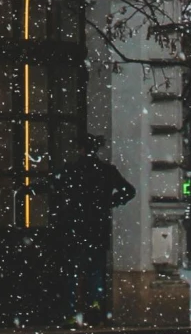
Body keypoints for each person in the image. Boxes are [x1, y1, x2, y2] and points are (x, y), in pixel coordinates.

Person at [49, 134, 136, 322]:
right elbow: (129, 191)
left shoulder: (71, 170)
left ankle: (71, 313)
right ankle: (94, 304)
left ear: (80, 149)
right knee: (94, 269)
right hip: (97, 227)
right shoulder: (106, 171)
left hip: (74, 227)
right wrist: (110, 202)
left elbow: (50, 184)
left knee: (71, 272)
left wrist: (28, 190)